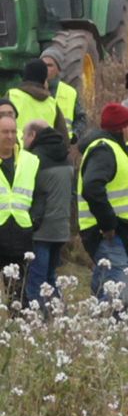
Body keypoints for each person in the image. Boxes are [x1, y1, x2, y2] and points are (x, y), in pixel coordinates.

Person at [77, 103, 128, 303]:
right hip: (108, 233)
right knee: (119, 297)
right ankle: (110, 331)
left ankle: (96, 329)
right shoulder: (104, 150)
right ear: (122, 128)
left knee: (106, 288)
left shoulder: (121, 148)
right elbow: (92, 187)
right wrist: (109, 224)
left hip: (117, 232)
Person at [26, 119, 72, 304]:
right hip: (61, 228)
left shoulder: (35, 158)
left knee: (36, 282)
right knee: (51, 279)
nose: (22, 139)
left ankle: (37, 323)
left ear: (33, 135)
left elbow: (31, 193)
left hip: (41, 229)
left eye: (24, 135)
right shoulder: (65, 155)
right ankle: (57, 320)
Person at [0, 114, 36, 303]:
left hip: (20, 233)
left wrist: (36, 219)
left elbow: (40, 194)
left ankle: (17, 329)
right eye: (5, 132)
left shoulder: (29, 161)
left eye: (13, 131)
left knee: (17, 291)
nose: (9, 136)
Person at [8, 59, 72, 146]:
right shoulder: (52, 104)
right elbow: (64, 140)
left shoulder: (12, 96)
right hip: (45, 156)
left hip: (17, 155)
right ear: (44, 79)